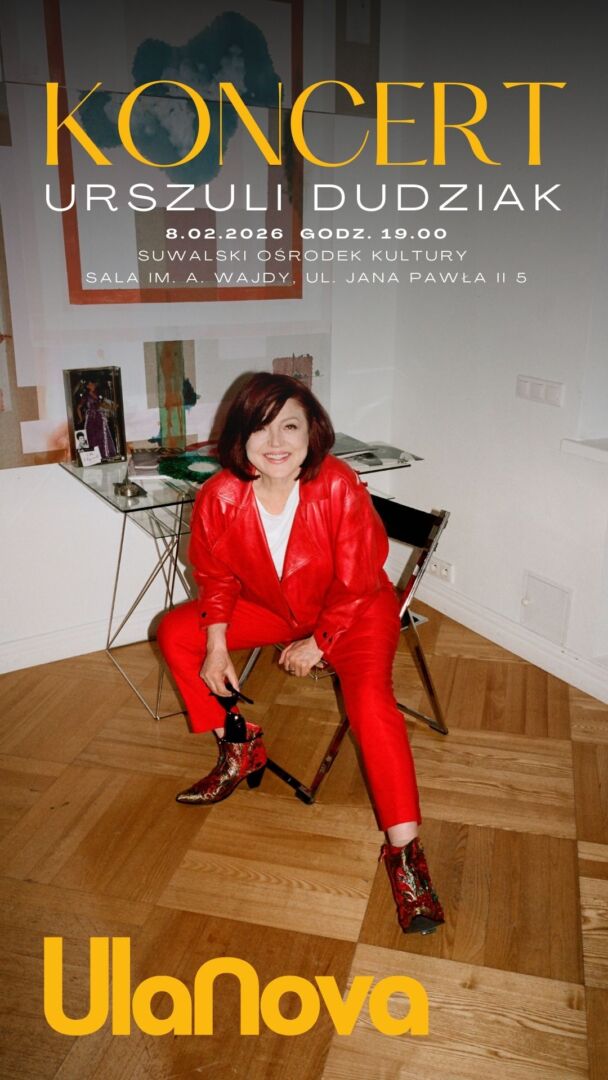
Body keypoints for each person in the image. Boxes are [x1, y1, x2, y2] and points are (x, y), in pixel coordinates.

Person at [157, 372, 444, 935]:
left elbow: (360, 579)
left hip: (355, 609)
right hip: (278, 606)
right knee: (176, 632)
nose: (275, 442)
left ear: (312, 431)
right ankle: (239, 747)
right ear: (239, 437)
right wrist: (216, 644)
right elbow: (216, 577)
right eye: (260, 428)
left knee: (370, 704)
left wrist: (320, 642)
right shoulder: (219, 495)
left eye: (289, 426)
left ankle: (406, 856)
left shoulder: (338, 486)